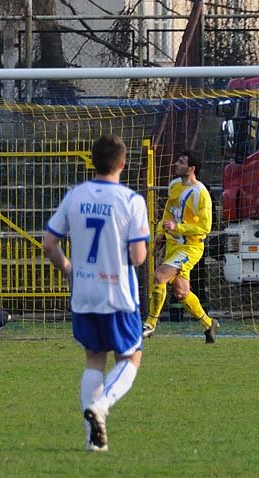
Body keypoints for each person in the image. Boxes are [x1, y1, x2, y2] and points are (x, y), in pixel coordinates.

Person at [42, 134, 150, 452]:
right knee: (131, 357)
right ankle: (100, 407)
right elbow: (137, 258)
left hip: (84, 292)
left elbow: (49, 243)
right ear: (122, 163)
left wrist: (68, 268)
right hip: (118, 293)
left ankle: (94, 440)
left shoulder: (75, 196)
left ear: (92, 161)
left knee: (94, 359)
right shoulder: (131, 201)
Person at [142, 150, 219, 343]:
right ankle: (209, 324)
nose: (177, 164)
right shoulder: (174, 185)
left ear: (191, 169)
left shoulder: (201, 194)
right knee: (181, 292)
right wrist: (160, 232)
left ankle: (150, 325)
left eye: (181, 162)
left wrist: (178, 227)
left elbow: (205, 227)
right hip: (173, 245)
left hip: (191, 247)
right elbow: (168, 212)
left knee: (159, 276)